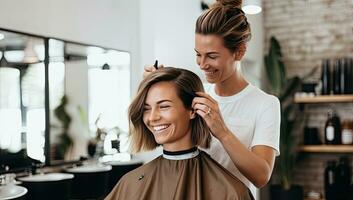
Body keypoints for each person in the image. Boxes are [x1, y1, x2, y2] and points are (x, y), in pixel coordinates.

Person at [144, 0, 280, 197]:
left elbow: (261, 176)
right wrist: (157, 90)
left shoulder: (265, 104)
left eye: (212, 56)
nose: (202, 64)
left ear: (240, 52)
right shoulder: (196, 94)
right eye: (198, 54)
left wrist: (222, 131)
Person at [105, 67, 253, 200]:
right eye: (146, 108)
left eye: (164, 106)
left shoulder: (231, 192)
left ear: (193, 110)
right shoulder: (130, 183)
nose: (152, 117)